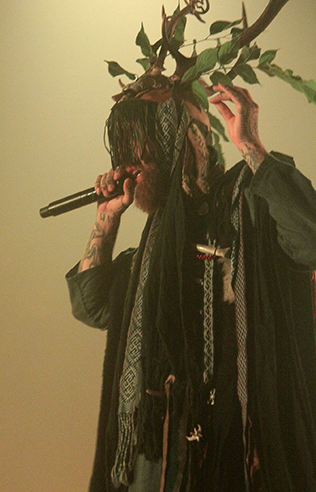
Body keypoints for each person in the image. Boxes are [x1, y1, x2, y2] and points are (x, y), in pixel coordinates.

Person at [66, 84, 316, 492]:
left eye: (141, 142)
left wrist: (251, 146)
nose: (130, 160)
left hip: (237, 449)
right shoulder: (149, 254)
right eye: (125, 148)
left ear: (180, 136)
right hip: (155, 458)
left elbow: (310, 238)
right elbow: (91, 307)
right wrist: (106, 220)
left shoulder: (249, 204)